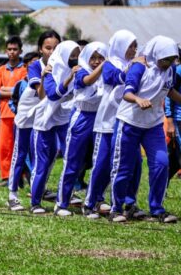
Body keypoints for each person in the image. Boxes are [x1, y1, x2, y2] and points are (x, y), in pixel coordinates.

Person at [111, 36, 181, 223]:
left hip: (153, 125)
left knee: (161, 163)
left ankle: (157, 209)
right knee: (124, 168)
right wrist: (138, 99)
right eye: (165, 59)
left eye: (172, 59)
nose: (168, 63)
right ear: (156, 54)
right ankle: (117, 208)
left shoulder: (170, 71)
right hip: (129, 123)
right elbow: (127, 93)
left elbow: (170, 91)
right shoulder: (140, 67)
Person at [84, 30, 143, 219]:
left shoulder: (135, 65)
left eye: (135, 45)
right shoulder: (108, 64)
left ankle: (128, 203)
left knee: (134, 164)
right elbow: (115, 78)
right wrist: (132, 69)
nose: (134, 49)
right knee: (101, 164)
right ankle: (91, 202)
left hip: (128, 123)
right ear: (120, 46)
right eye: (130, 46)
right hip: (107, 125)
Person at [7, 31, 60, 211]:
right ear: (40, 49)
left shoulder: (62, 66)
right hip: (27, 117)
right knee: (21, 155)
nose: (52, 52)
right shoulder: (36, 67)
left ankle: (39, 188)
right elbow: (42, 94)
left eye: (56, 48)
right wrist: (45, 75)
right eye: (48, 48)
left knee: (51, 153)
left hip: (46, 116)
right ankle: (12, 195)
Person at [54, 42, 107, 216]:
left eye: (100, 57)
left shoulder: (107, 72)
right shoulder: (80, 70)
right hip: (82, 118)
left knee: (101, 162)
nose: (97, 61)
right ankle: (61, 203)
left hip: (100, 118)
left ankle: (94, 201)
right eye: (93, 57)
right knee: (73, 162)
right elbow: (86, 81)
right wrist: (103, 66)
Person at [29, 41, 80, 214]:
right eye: (71, 55)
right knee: (43, 163)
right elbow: (51, 94)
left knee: (71, 159)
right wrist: (69, 79)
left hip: (64, 120)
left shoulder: (77, 70)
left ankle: (62, 202)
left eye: (76, 55)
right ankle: (35, 202)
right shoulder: (50, 70)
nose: (74, 59)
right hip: (44, 121)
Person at [0, 36, 27, 185]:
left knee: (20, 146)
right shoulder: (0, 70)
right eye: (9, 49)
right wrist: (14, 91)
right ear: (6, 51)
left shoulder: (25, 69)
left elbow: (25, 91)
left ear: (20, 51)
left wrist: (6, 90)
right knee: (4, 148)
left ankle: (22, 176)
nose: (12, 52)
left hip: (22, 113)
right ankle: (7, 177)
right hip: (5, 114)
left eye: (15, 49)